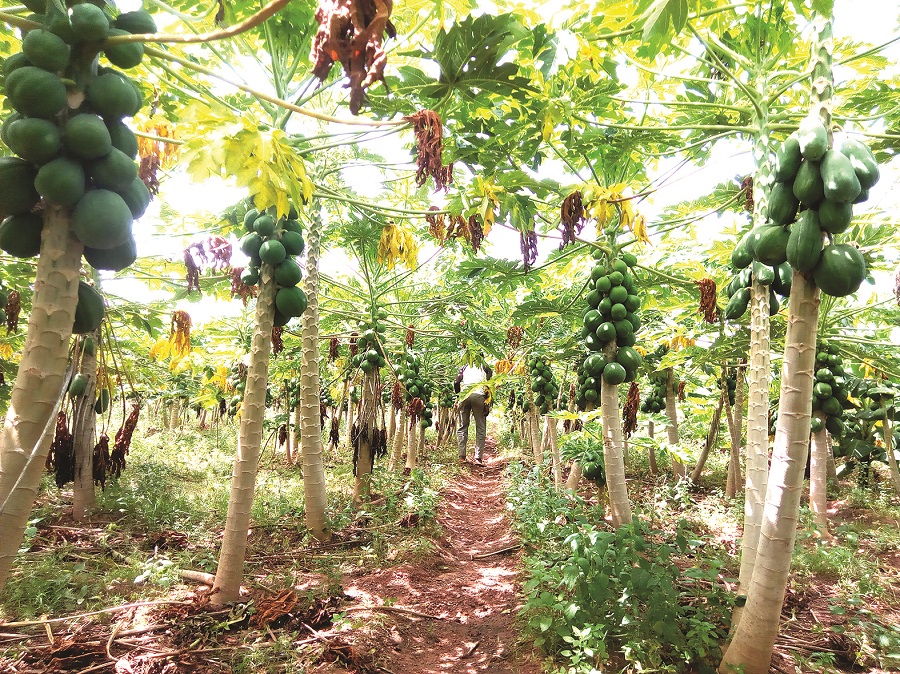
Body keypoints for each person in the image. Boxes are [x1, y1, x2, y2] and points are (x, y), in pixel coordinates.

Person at [454, 360, 493, 464]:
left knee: (463, 426)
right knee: (480, 427)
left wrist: (459, 396)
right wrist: (487, 401)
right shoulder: (484, 366)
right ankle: (478, 458)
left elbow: (456, 382)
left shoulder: (465, 366)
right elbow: (489, 380)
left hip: (465, 395)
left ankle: (462, 457)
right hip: (479, 395)